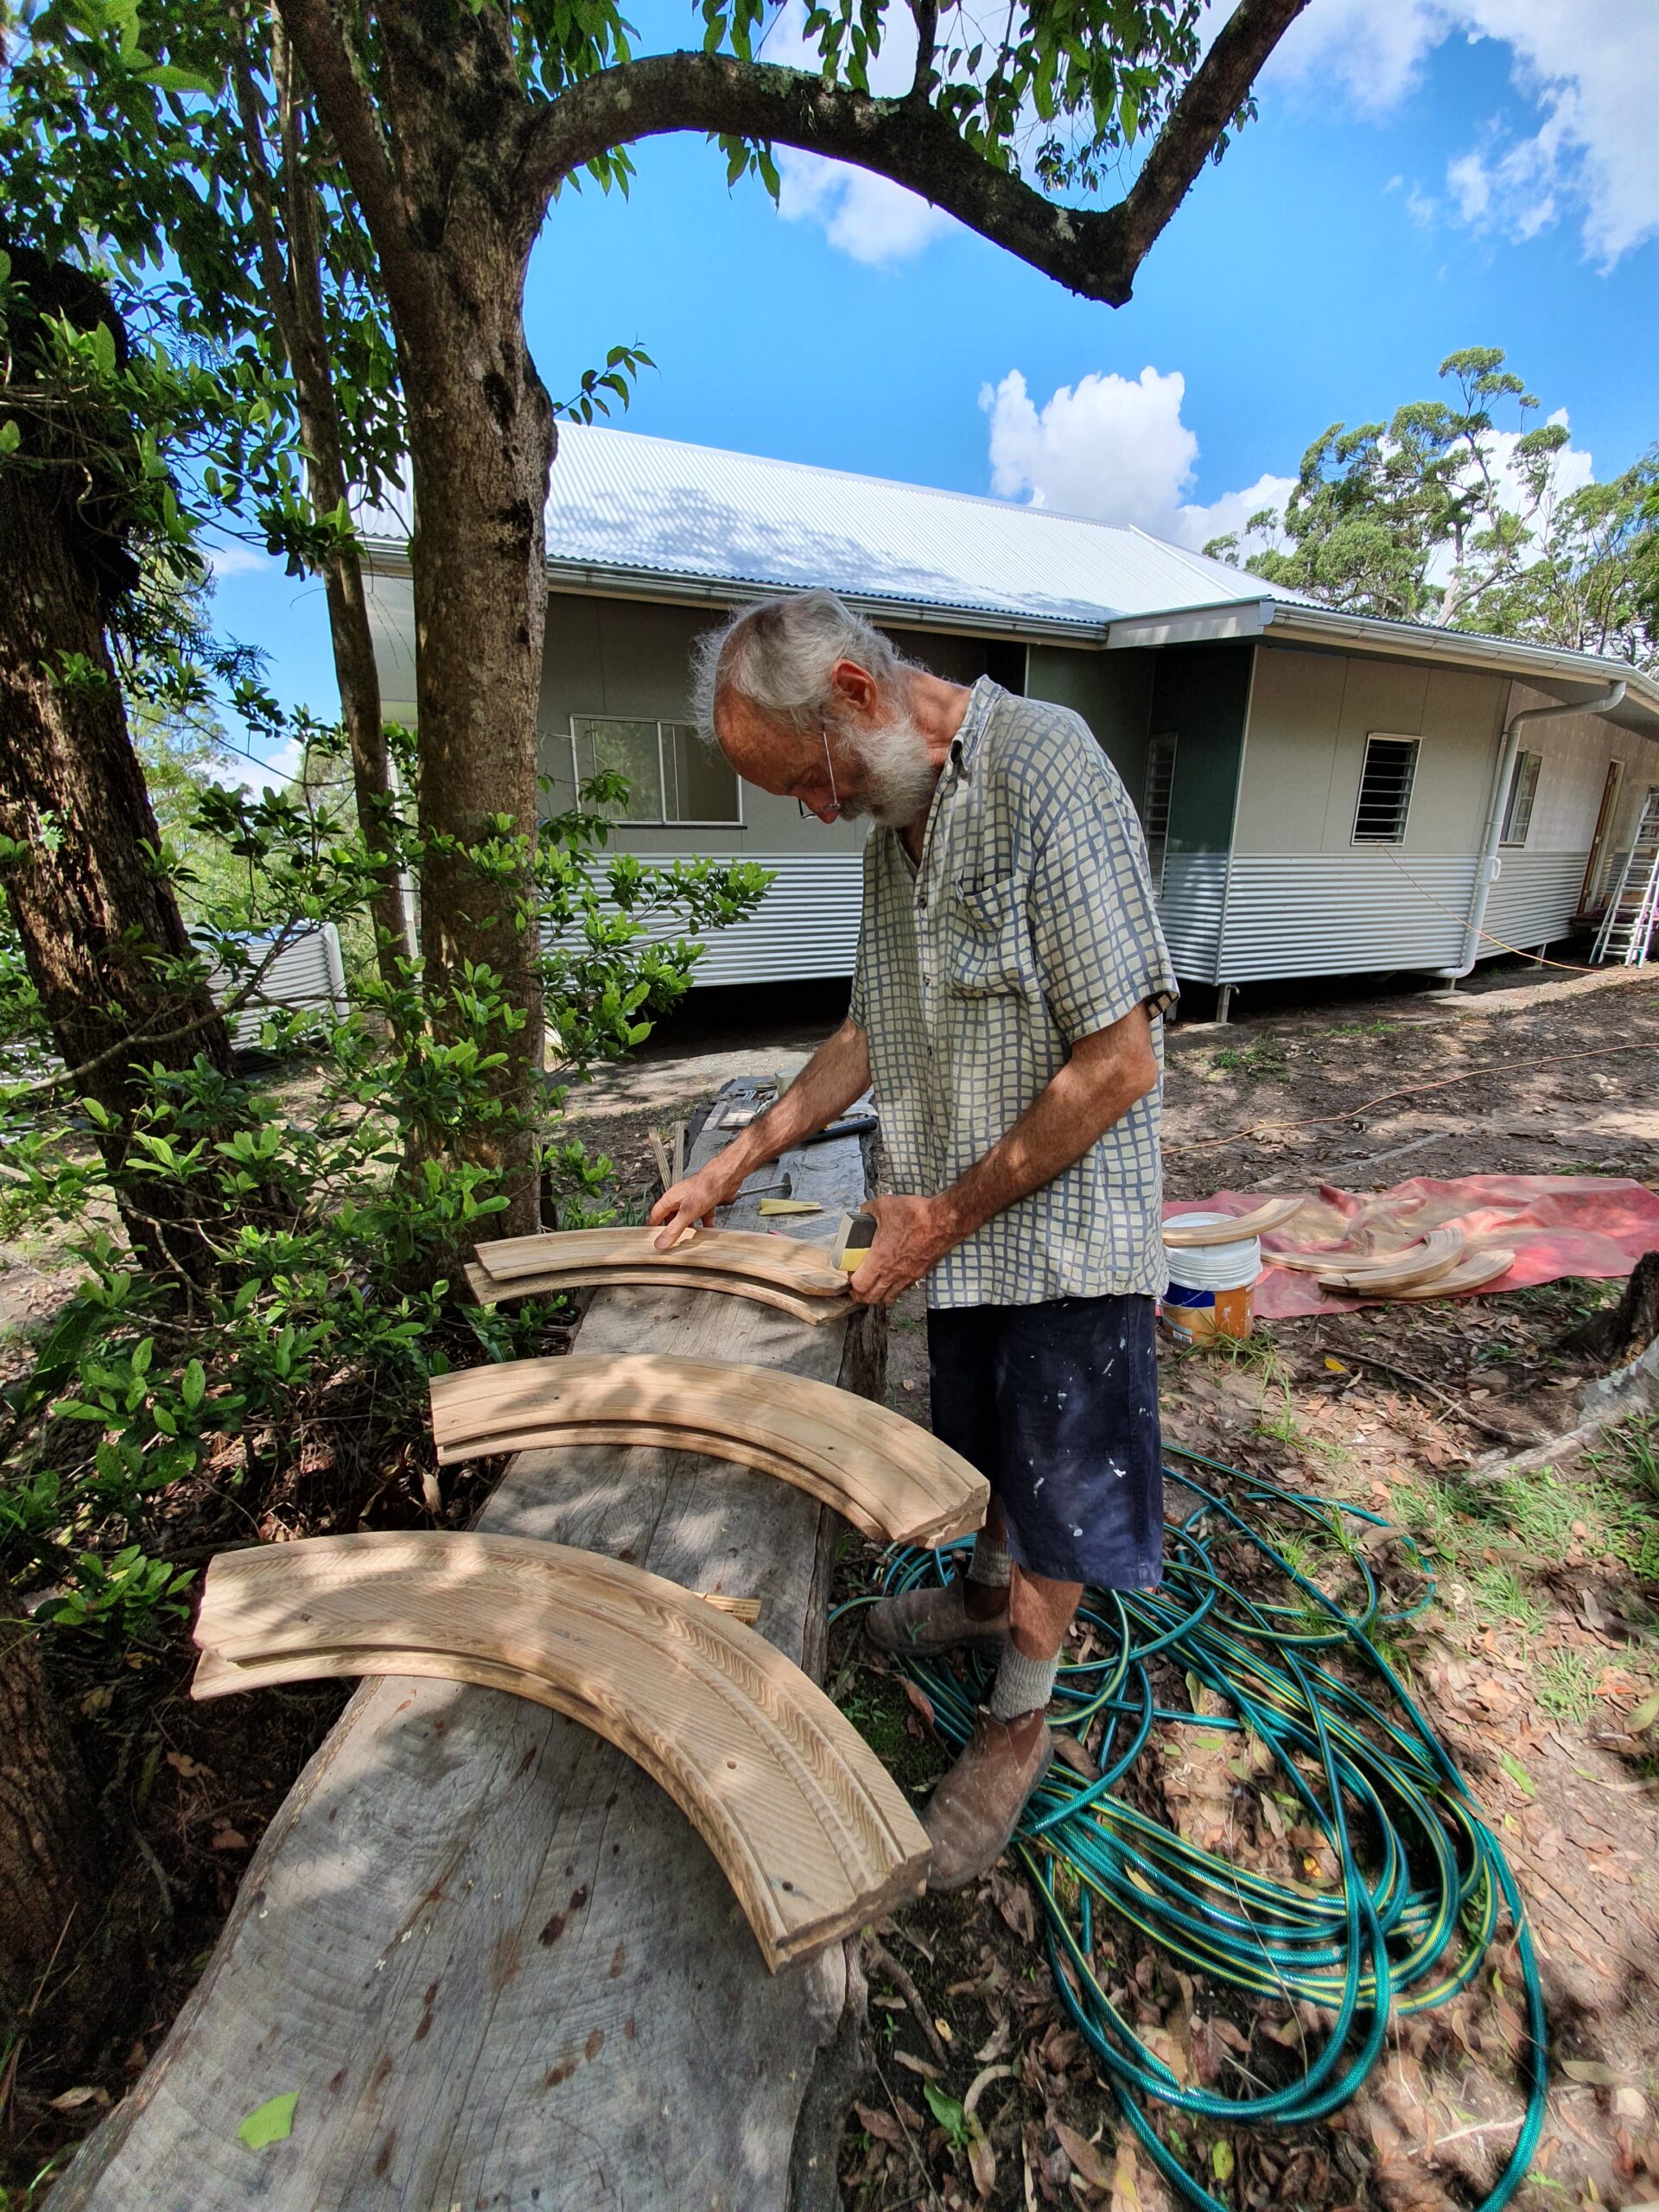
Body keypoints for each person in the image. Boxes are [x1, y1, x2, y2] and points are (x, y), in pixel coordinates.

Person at [650, 589, 1176, 1889]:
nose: (814, 811)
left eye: (805, 783)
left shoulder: (1047, 769)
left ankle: (1019, 1721)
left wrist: (941, 1216)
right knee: (990, 1444)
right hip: (965, 1228)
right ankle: (984, 1600)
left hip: (1066, 1239)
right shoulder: (895, 832)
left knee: (1056, 1492)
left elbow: (1120, 1063)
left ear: (853, 692)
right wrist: (730, 1164)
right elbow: (864, 1038)